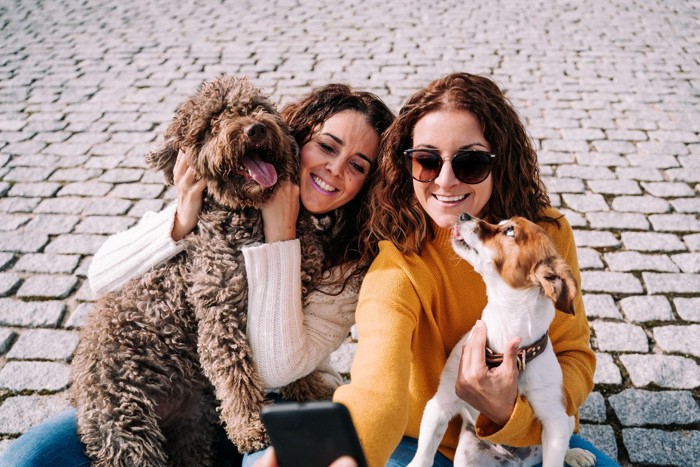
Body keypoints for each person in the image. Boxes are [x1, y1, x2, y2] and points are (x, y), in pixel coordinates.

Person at [0, 83, 394, 467]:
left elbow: (274, 368)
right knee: (28, 457)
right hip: (166, 388)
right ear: (297, 137)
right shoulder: (223, 195)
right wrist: (181, 219)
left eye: (357, 166)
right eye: (326, 146)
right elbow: (101, 275)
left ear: (369, 181)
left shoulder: (352, 259)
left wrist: (281, 234)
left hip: (270, 400)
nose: (335, 169)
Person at [331, 72, 619, 466]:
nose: (445, 181)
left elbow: (574, 354)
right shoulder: (400, 263)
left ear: (500, 160)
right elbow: (376, 389)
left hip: (535, 437)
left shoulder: (545, 236)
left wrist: (508, 414)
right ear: (407, 164)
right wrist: (345, 455)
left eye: (470, 162)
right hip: (424, 447)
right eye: (426, 161)